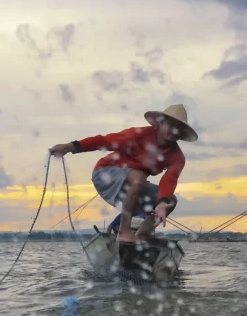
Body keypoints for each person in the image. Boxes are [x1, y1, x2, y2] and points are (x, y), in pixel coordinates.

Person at [49, 103, 198, 245]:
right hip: (105, 173)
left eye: (178, 128)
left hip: (133, 184)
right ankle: (124, 232)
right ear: (160, 123)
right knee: (139, 178)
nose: (173, 131)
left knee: (170, 201)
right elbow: (103, 141)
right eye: (170, 125)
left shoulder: (177, 157)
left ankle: (140, 237)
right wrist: (70, 146)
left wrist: (162, 203)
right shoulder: (136, 135)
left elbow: (169, 180)